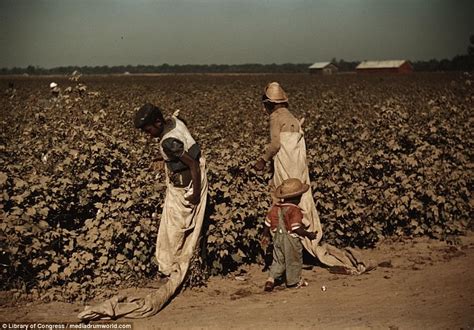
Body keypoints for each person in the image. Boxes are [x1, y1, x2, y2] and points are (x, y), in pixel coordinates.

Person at [134, 103, 208, 279]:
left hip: (188, 184)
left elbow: (192, 164)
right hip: (194, 176)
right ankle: (183, 264)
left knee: (176, 229)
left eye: (148, 129)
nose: (147, 134)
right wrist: (165, 157)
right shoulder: (175, 121)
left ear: (158, 123)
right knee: (184, 225)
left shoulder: (169, 142)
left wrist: (195, 193)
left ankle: (174, 268)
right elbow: (187, 145)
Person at [261, 178, 318, 292]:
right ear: (298, 197)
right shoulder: (294, 210)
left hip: (277, 238)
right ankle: (293, 281)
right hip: (290, 239)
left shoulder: (275, 208)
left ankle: (271, 279)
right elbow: (296, 228)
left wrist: (265, 235)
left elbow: (267, 223)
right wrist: (308, 234)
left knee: (278, 259)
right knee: (294, 260)